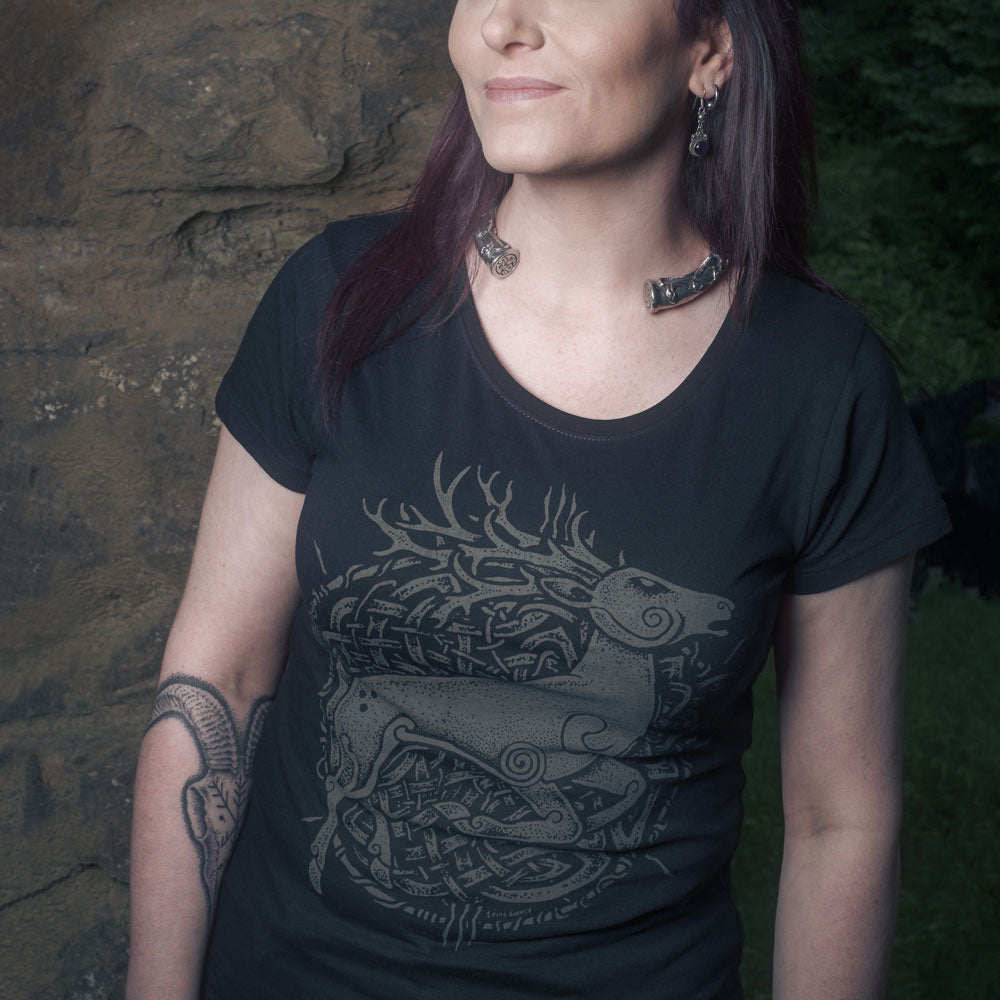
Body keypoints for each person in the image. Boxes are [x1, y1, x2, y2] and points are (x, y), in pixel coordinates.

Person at [126, 1, 951, 998]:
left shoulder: (818, 381)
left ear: (710, 49)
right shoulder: (338, 298)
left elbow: (838, 820)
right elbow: (215, 680)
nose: (503, 24)